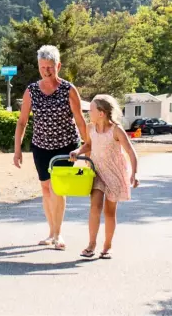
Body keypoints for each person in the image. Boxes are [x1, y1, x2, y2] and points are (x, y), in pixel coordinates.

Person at [13, 45, 88, 251]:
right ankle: (51, 232)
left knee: (58, 187)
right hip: (41, 146)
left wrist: (87, 146)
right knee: (46, 188)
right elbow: (22, 122)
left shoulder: (68, 89)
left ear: (58, 66)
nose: (46, 71)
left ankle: (58, 233)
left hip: (66, 145)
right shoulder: (31, 91)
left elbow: (80, 120)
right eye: (42, 67)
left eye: (50, 67)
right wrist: (17, 149)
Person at [71, 94, 139, 260]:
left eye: (91, 110)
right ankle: (91, 245)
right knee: (95, 207)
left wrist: (134, 173)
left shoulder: (116, 130)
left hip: (115, 174)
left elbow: (130, 152)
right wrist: (78, 151)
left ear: (101, 113)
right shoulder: (90, 128)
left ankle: (107, 246)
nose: (89, 113)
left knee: (109, 212)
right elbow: (88, 145)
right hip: (97, 172)